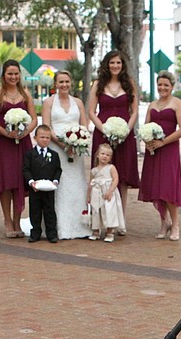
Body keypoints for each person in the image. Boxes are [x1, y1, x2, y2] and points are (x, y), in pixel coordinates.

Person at [87, 50, 139, 234]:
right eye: (112, 63)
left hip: (125, 136)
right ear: (106, 65)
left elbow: (134, 111)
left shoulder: (129, 84)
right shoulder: (98, 85)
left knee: (121, 178)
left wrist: (126, 130)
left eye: (118, 63)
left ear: (122, 65)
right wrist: (105, 130)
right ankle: (100, 220)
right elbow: (92, 112)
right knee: (102, 177)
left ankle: (120, 222)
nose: (115, 66)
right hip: (103, 135)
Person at [0, 59, 38, 238]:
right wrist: (6, 134)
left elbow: (34, 119)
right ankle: (7, 220)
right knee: (6, 182)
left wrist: (26, 132)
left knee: (20, 180)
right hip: (3, 144)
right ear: (3, 75)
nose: (13, 77)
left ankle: (18, 220)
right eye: (10, 73)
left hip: (22, 143)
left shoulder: (25, 95)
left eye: (16, 73)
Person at [41, 70, 92, 239]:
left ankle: (81, 224)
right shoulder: (48, 102)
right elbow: (47, 127)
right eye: (61, 82)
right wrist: (63, 144)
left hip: (76, 150)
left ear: (71, 83)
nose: (64, 85)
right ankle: (59, 226)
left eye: (67, 82)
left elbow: (84, 124)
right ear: (55, 84)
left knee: (76, 183)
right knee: (60, 183)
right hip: (57, 148)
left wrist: (80, 141)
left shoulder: (78, 102)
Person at [138, 71, 181, 241]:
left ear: (172, 86)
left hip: (169, 149)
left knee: (167, 187)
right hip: (153, 150)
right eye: (160, 84)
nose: (162, 88)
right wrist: (147, 140)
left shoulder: (177, 103)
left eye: (166, 85)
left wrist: (163, 142)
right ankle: (163, 222)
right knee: (156, 188)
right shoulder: (152, 105)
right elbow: (145, 126)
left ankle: (175, 225)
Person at [23, 125, 61, 243]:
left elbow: (58, 170)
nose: (45, 140)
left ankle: (51, 233)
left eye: (48, 137)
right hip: (35, 189)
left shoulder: (54, 155)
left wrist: (55, 181)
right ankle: (35, 233)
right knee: (35, 211)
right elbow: (26, 169)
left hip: (49, 189)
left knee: (49, 211)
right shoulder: (29, 154)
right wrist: (31, 182)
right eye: (42, 137)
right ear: (35, 138)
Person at [87, 143, 125, 242]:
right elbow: (91, 183)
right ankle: (96, 231)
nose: (104, 156)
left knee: (109, 211)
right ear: (98, 155)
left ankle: (109, 231)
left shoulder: (111, 168)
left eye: (107, 155)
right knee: (96, 211)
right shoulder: (94, 170)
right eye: (103, 153)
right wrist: (88, 196)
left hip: (108, 192)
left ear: (110, 158)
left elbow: (116, 179)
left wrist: (110, 191)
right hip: (96, 192)